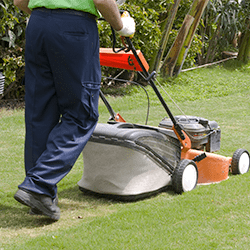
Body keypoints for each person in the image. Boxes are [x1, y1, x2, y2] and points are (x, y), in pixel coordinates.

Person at [13, 0, 135, 221]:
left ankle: (40, 196)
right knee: (81, 115)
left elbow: (19, 1)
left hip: (38, 26)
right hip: (74, 29)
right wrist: (121, 26)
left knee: (39, 114)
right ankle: (39, 184)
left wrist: (47, 15)